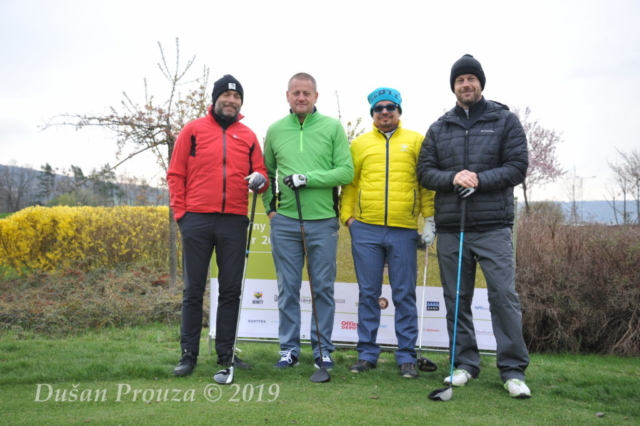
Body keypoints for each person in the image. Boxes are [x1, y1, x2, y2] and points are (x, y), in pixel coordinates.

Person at [417, 54, 531, 398]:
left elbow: (517, 166)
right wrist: (454, 177)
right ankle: (464, 364)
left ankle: (512, 371)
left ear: (480, 83)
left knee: (503, 296)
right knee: (456, 299)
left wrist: (478, 179)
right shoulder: (439, 127)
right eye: (459, 80)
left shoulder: (504, 120)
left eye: (471, 79)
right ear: (453, 87)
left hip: (493, 226)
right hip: (453, 228)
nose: (466, 85)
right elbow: (425, 172)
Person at [167, 74, 269, 377]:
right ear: (215, 99)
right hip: (196, 220)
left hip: (234, 220)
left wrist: (260, 180)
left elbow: (261, 174)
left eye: (236, 97)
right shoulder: (193, 130)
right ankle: (188, 355)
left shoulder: (248, 135)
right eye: (226, 95)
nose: (231, 101)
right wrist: (181, 215)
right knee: (193, 291)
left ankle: (226, 353)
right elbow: (176, 174)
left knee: (231, 290)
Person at [340, 87, 435, 379]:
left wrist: (429, 219)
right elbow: (351, 184)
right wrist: (348, 218)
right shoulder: (359, 144)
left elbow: (425, 184)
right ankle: (367, 354)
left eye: (390, 107)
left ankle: (406, 356)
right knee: (368, 293)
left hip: (403, 230)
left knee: (404, 294)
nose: (384, 112)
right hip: (365, 229)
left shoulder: (416, 141)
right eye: (378, 108)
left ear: (398, 111)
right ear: (372, 113)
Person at [262, 72, 353, 370]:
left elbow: (345, 171)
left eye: (306, 93)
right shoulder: (275, 130)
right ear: (287, 96)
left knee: (322, 288)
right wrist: (270, 210)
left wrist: (308, 178)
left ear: (316, 96)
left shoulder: (332, 127)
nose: (301, 97)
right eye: (296, 93)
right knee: (288, 288)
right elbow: (266, 172)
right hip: (285, 222)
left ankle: (322, 350)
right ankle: (288, 349)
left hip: (323, 221)